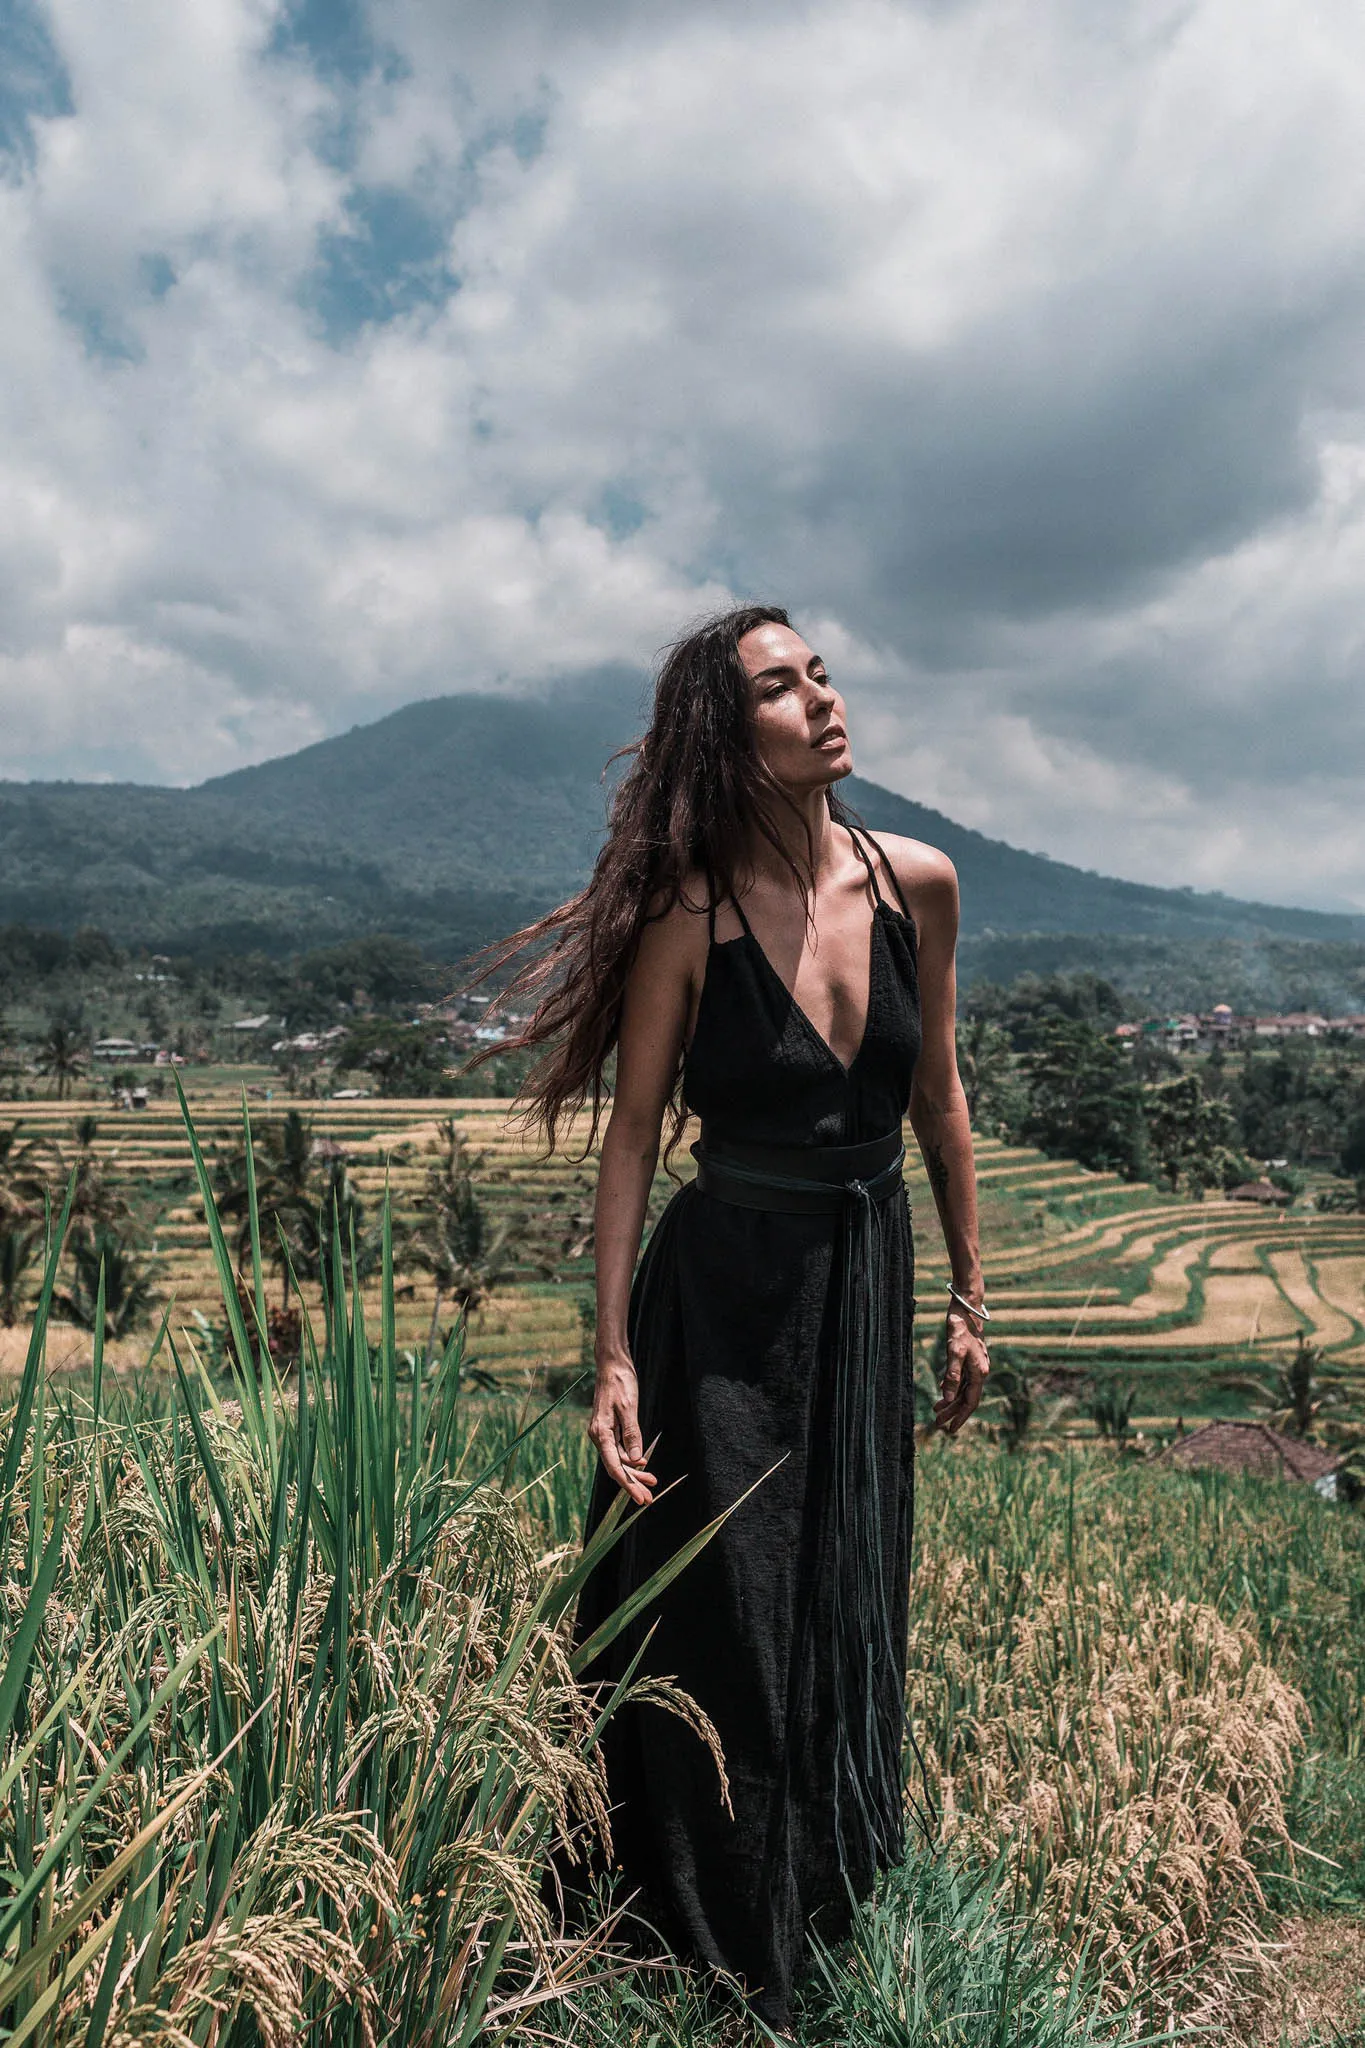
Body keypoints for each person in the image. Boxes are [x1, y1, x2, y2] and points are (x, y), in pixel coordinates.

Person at [471, 604, 988, 2035]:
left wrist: (967, 1292)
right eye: (781, 683)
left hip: (862, 1273)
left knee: (843, 1588)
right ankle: (692, 1943)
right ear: (728, 729)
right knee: (724, 1615)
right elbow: (633, 1133)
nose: (823, 698)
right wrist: (616, 1357)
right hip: (722, 1290)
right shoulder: (687, 916)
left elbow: (936, 1095)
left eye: (821, 670)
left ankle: (830, 1909)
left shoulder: (918, 887)